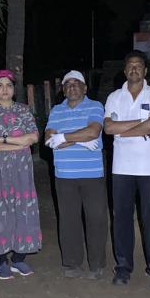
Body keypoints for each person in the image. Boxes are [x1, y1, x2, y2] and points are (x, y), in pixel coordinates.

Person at [104, 50, 150, 288]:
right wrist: (141, 124)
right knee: (121, 219)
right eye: (130, 65)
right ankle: (123, 268)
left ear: (145, 70)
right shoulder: (114, 97)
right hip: (121, 167)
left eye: (138, 65)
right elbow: (108, 128)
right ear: (124, 70)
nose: (134, 69)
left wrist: (122, 130)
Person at [0, 69, 42, 280]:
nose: (4, 89)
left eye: (9, 85)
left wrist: (1, 139)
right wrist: (16, 143)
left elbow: (34, 137)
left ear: (14, 89)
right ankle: (0, 261)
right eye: (0, 85)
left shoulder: (23, 110)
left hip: (20, 169)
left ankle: (19, 258)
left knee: (22, 208)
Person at [45, 70, 108, 280]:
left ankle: (96, 264)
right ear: (63, 90)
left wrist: (63, 138)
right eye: (68, 84)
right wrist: (81, 140)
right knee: (68, 220)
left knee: (96, 219)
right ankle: (72, 263)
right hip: (64, 175)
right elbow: (49, 140)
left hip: (92, 174)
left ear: (85, 88)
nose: (72, 87)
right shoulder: (56, 110)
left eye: (76, 83)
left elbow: (93, 132)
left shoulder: (95, 106)